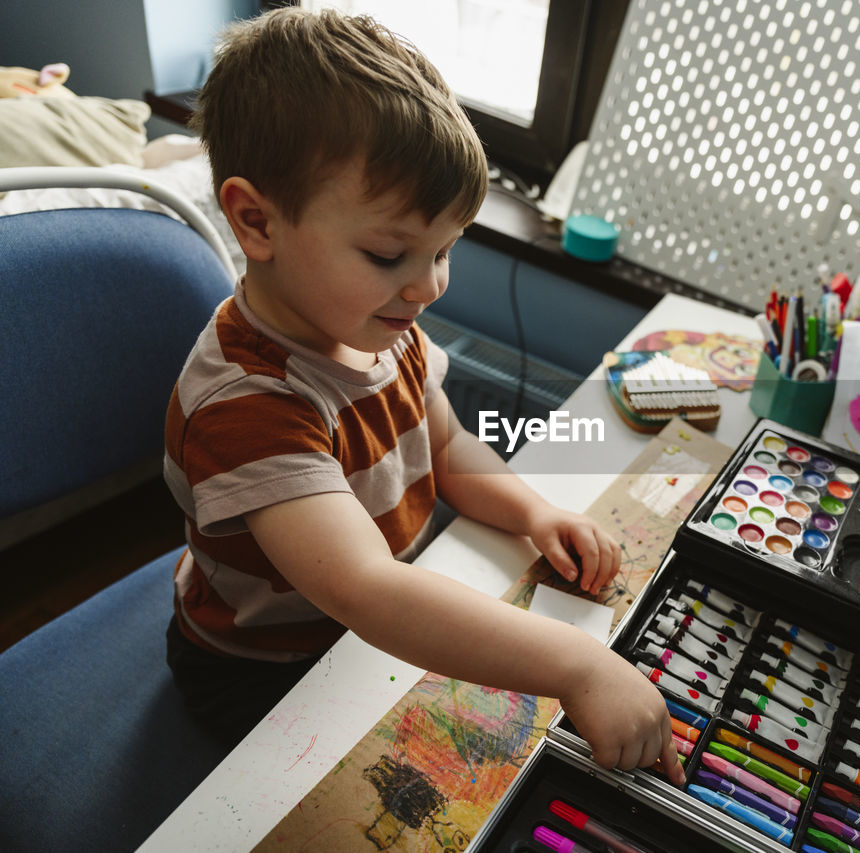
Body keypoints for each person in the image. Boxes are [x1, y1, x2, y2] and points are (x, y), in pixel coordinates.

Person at [163, 6, 682, 785]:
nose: (429, 284)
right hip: (264, 665)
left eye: (445, 250)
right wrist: (578, 664)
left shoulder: (377, 324)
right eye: (389, 252)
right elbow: (368, 591)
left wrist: (531, 510)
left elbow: (445, 444)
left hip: (364, 622)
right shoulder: (247, 407)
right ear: (254, 220)